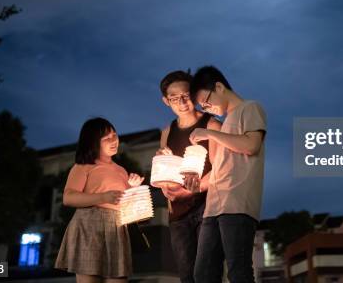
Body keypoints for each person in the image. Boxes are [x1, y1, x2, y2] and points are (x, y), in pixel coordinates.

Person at [188, 66, 267, 283]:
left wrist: (209, 133)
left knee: (238, 271)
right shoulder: (223, 126)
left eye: (206, 102)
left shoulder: (250, 108)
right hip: (214, 206)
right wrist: (198, 184)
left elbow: (252, 145)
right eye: (203, 107)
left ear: (219, 87)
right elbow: (221, 169)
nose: (207, 109)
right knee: (203, 274)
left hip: (238, 203)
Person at [55, 117, 144, 283]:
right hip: (89, 226)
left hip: (116, 227)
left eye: (115, 135)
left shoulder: (121, 171)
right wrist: (103, 197)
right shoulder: (83, 166)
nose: (114, 141)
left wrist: (133, 189)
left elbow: (127, 207)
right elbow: (68, 197)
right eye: (106, 138)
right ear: (93, 142)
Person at [157, 70, 221, 283]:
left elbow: (222, 169)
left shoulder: (212, 125)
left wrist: (193, 189)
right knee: (187, 276)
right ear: (166, 101)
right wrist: (166, 184)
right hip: (178, 215)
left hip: (207, 209)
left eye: (186, 95)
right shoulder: (167, 131)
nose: (182, 102)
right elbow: (168, 169)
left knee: (207, 273)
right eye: (174, 98)